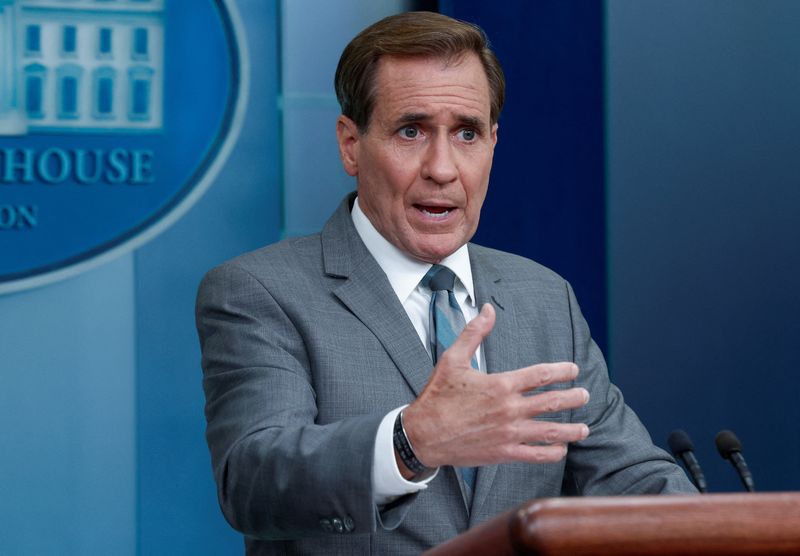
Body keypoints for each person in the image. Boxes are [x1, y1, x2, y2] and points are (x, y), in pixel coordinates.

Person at [196, 11, 696, 555]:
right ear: (350, 144)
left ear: (493, 145)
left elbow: (628, 476)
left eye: (466, 133)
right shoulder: (259, 290)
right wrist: (413, 441)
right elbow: (253, 481)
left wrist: (727, 529)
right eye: (411, 130)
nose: (442, 167)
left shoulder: (543, 297)